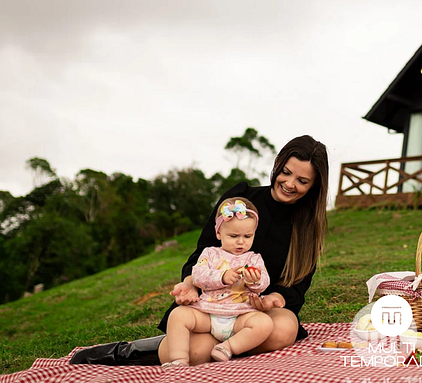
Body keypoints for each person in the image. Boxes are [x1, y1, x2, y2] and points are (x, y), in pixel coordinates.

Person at [70, 135, 329, 366]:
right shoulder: (240, 200)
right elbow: (203, 252)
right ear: (277, 165)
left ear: (314, 186)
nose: (289, 183)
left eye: (302, 180)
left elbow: (297, 288)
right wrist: (190, 283)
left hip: (253, 311)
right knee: (192, 353)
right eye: (285, 172)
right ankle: (129, 351)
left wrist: (276, 299)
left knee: (284, 329)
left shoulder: (307, 228)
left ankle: (225, 351)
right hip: (211, 304)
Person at [163, 197, 270, 368]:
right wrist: (222, 277)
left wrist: (255, 281)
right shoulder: (210, 254)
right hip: (208, 313)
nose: (241, 241)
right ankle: (179, 360)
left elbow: (264, 282)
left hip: (239, 316)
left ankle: (227, 348)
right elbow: (197, 275)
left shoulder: (254, 258)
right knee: (177, 315)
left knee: (264, 323)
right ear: (219, 233)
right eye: (234, 236)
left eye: (247, 236)